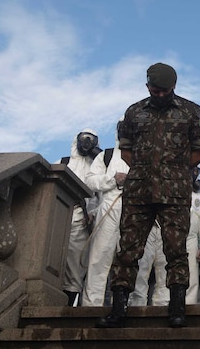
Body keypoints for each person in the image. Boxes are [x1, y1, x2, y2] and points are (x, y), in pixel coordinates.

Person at [97, 62, 200, 328]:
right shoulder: (134, 112)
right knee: (127, 250)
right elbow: (126, 150)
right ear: (148, 86)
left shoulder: (192, 111)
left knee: (176, 251)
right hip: (138, 192)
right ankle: (118, 309)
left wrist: (175, 170)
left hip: (175, 193)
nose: (160, 95)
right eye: (155, 91)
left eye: (165, 91)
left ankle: (177, 308)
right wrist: (146, 171)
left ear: (174, 87)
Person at [83, 120, 126, 307]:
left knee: (132, 263)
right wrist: (112, 179)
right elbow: (90, 181)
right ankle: (91, 306)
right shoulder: (106, 156)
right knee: (99, 259)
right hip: (108, 208)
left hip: (136, 212)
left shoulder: (144, 155)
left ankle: (125, 307)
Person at [61, 129, 101, 306]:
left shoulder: (96, 167)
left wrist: (91, 213)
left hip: (82, 220)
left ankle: (69, 304)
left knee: (76, 265)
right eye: (84, 139)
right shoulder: (63, 163)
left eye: (91, 140)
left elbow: (99, 196)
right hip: (60, 216)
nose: (86, 142)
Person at [185, 164, 200, 305]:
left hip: (191, 239)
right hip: (170, 238)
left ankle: (189, 306)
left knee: (192, 277)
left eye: (195, 170)